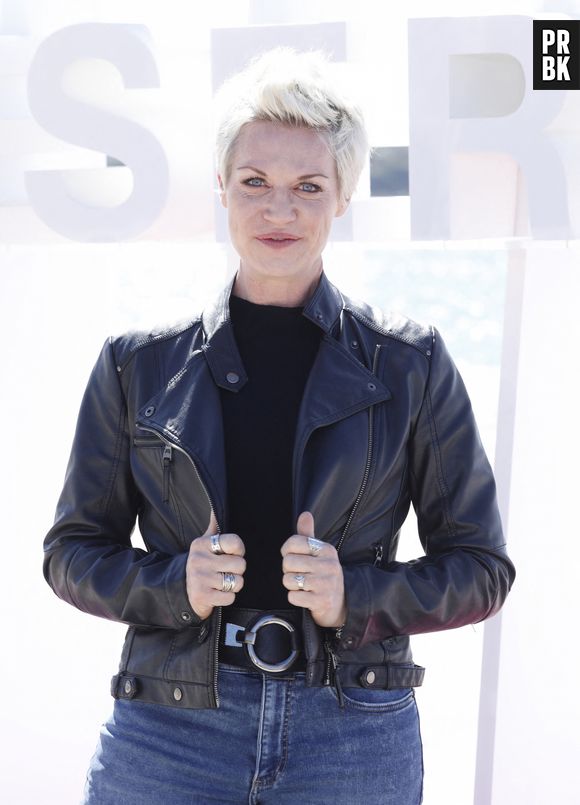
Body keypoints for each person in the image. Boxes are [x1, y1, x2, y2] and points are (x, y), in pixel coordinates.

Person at [43, 46, 515, 805]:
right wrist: (173, 584)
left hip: (352, 730)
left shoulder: (411, 363)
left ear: (343, 196)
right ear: (221, 186)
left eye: (308, 187)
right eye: (255, 182)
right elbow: (71, 552)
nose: (279, 210)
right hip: (171, 729)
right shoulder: (136, 365)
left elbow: (482, 568)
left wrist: (354, 595)